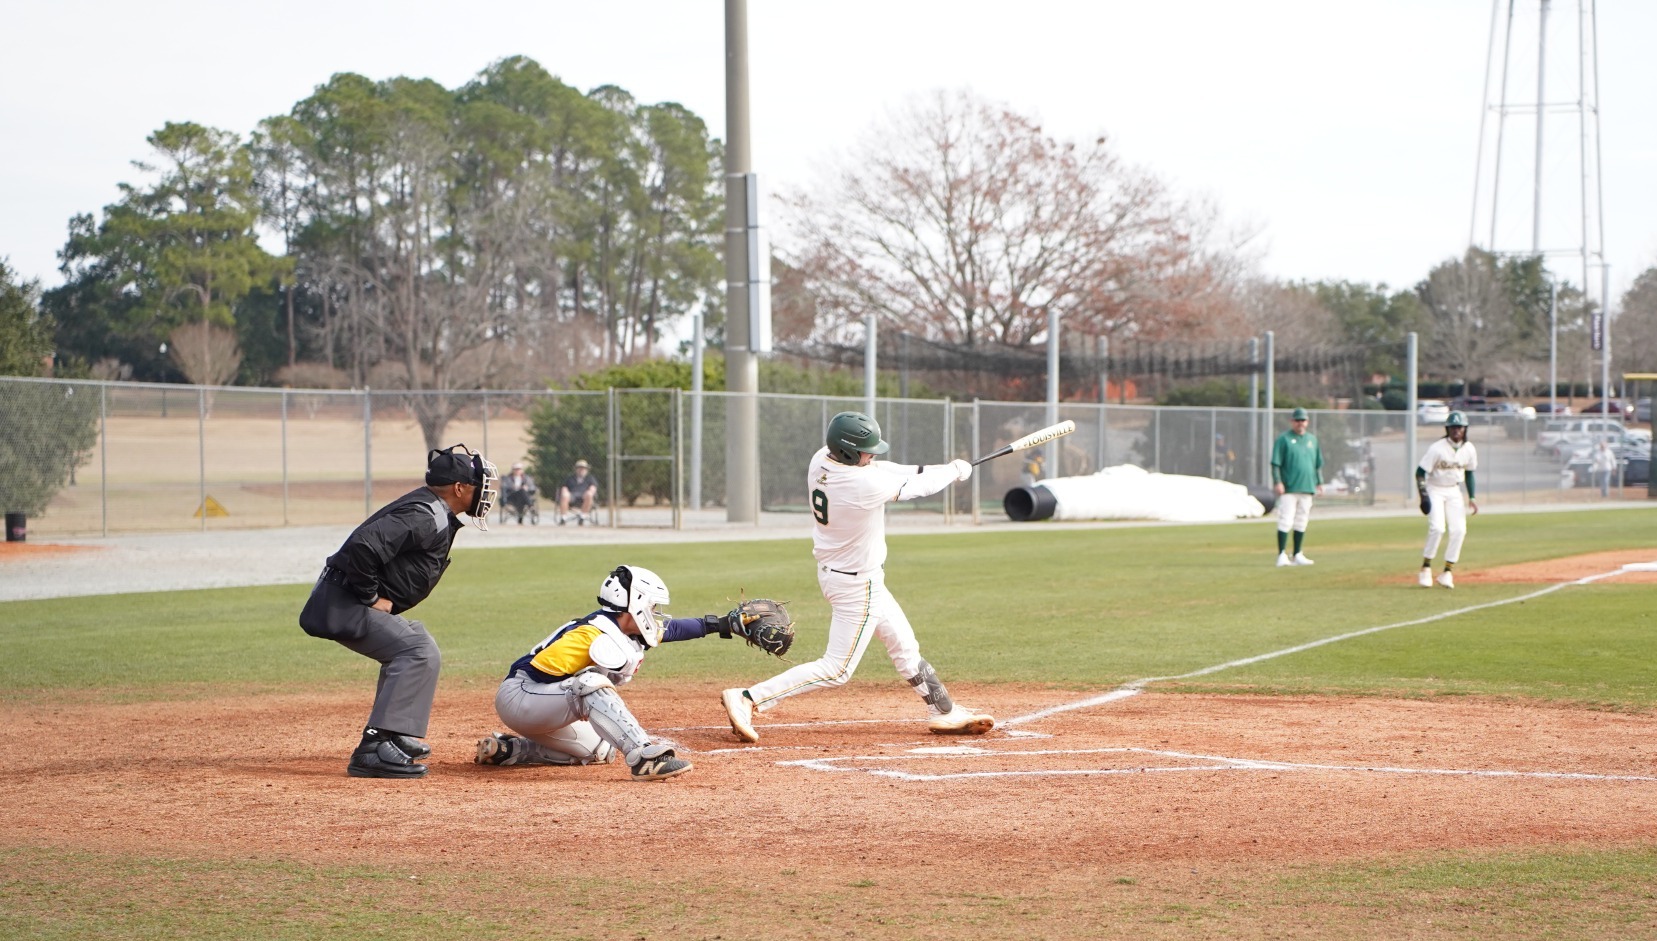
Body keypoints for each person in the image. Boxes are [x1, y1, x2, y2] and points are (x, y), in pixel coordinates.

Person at [720, 410, 994, 742]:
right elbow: (915, 487)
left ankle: (944, 711)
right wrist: (953, 472)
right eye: (867, 450)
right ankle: (750, 698)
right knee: (837, 668)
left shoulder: (823, 459)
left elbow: (888, 470)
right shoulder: (860, 484)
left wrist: (941, 468)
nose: (872, 456)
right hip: (856, 584)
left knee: (904, 645)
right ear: (850, 452)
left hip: (845, 575)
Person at [299, 443, 498, 778]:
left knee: (412, 640)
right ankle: (373, 748)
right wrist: (370, 595)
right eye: (478, 485)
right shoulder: (424, 514)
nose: (484, 493)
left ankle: (392, 736)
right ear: (460, 488)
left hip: (343, 598)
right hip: (341, 603)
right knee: (417, 650)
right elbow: (363, 546)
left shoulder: (431, 509)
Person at [476, 564, 746, 782]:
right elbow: (537, 671)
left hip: (545, 703)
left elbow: (674, 630)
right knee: (591, 683)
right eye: (652, 607)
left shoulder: (624, 630)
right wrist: (583, 683)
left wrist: (723, 624)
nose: (655, 614)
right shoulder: (589, 635)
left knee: (600, 750)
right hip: (521, 696)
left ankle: (510, 750)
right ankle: (644, 757)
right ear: (635, 604)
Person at [1416, 410, 1478, 588]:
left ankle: (1447, 572)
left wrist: (1472, 497)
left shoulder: (1469, 449)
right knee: (1437, 528)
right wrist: (1423, 495)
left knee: (1459, 530)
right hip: (1435, 488)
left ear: (1465, 429)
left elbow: (1469, 473)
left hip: (1454, 490)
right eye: (1453, 428)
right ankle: (1426, 568)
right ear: (1447, 429)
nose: (1456, 431)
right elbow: (1420, 472)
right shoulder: (1437, 448)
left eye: (1459, 427)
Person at [1270, 407, 1324, 567]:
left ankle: (1297, 553)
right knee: (1286, 519)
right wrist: (1278, 481)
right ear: (1292, 421)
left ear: (1307, 422)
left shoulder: (1312, 440)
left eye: (1303, 420)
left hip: (1307, 486)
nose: (1300, 423)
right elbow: (1275, 463)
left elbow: (1317, 464)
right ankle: (1281, 554)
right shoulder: (1284, 439)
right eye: (1297, 420)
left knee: (1302, 519)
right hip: (1289, 487)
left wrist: (1320, 481)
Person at [557, 459, 599, 525]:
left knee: (589, 494)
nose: (581, 470)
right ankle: (563, 518)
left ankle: (582, 517)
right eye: (579, 468)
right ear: (576, 469)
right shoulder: (570, 478)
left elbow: (593, 487)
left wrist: (590, 491)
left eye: (583, 468)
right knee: (564, 495)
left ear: (586, 469)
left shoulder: (590, 478)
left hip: (584, 496)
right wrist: (564, 491)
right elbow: (564, 487)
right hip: (572, 495)